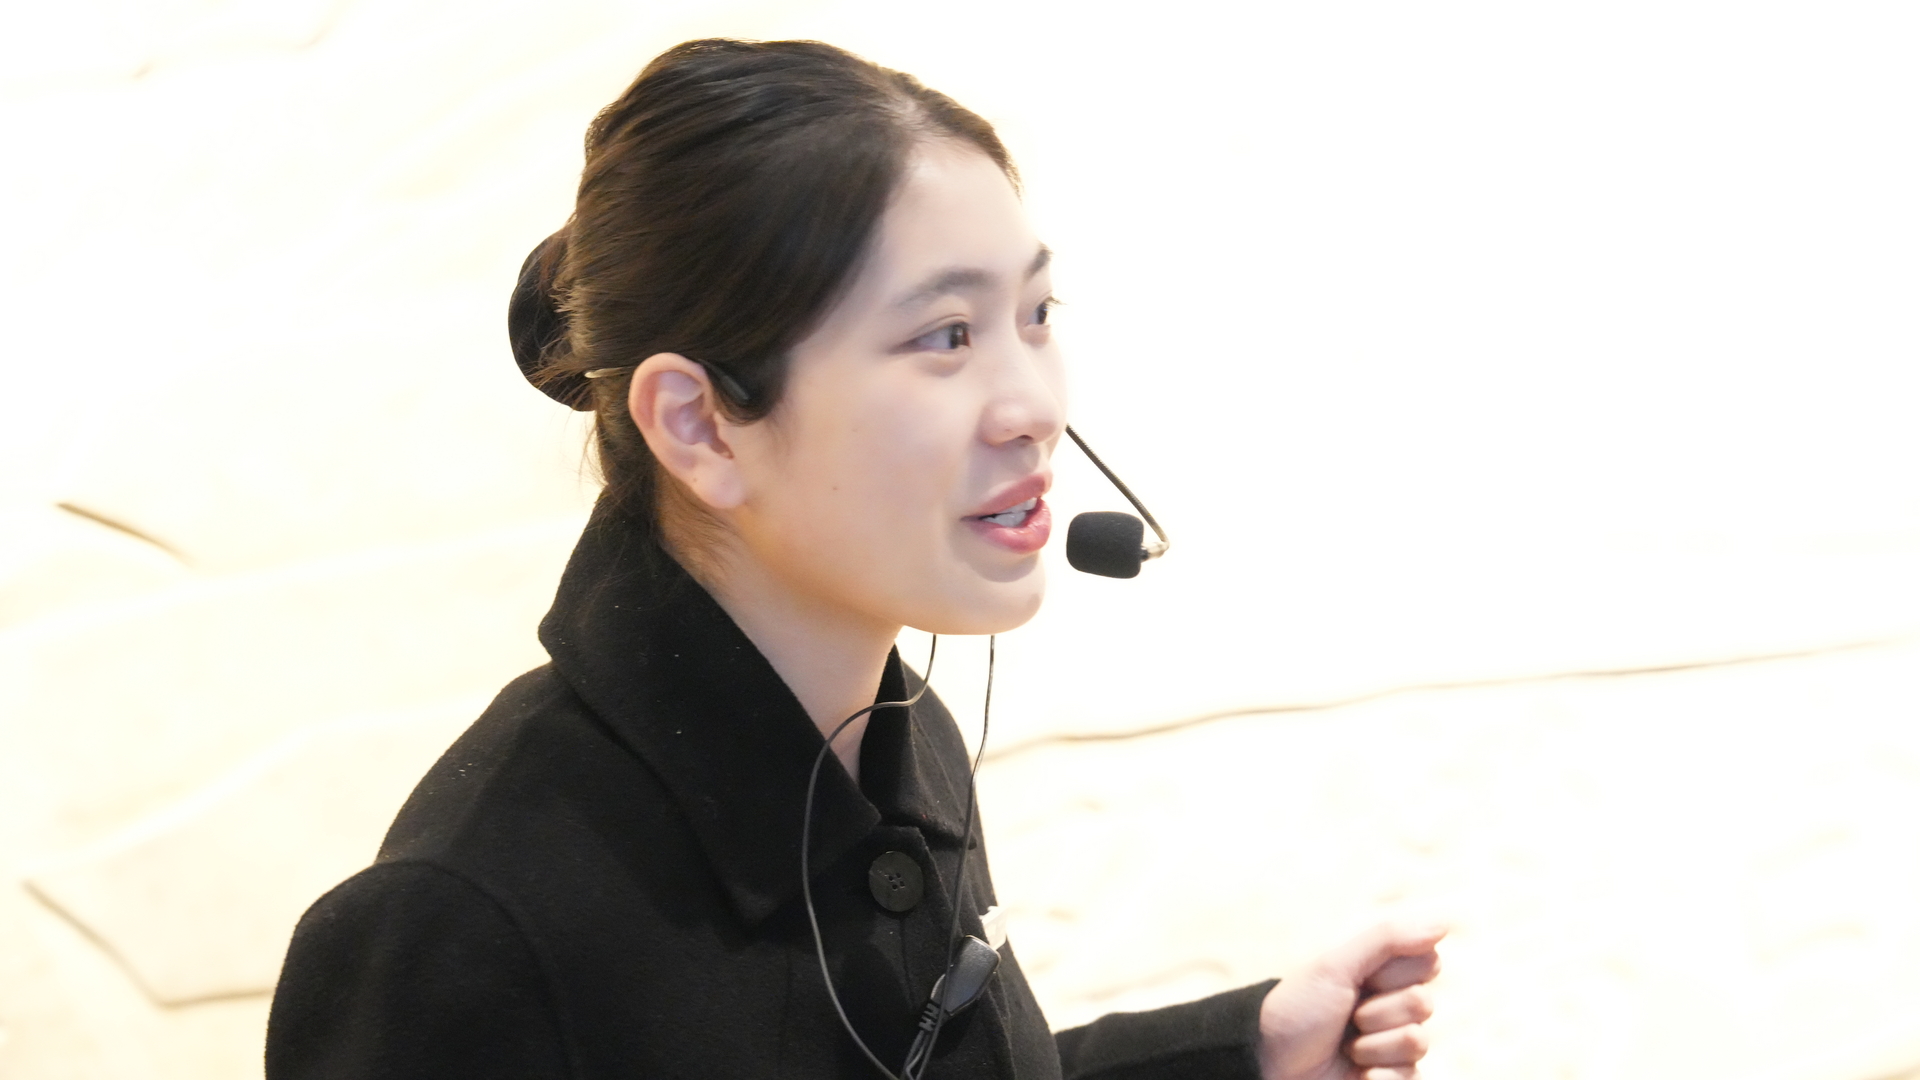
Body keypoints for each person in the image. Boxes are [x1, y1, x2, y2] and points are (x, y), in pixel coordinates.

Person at [265, 38, 1444, 1079]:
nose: (1035, 406)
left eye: (1036, 316)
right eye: (947, 335)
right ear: (699, 424)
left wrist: (1242, 1052)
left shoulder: (897, 737)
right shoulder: (462, 932)